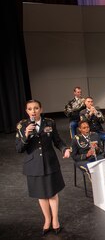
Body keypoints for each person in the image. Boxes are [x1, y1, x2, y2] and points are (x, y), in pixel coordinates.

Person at [16, 100, 71, 236]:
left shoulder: (49, 122)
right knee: (42, 195)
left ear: (41, 109)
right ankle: (47, 219)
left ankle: (55, 219)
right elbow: (19, 149)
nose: (33, 111)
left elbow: (57, 140)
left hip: (50, 162)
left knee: (52, 193)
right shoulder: (22, 125)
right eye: (30, 109)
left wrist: (64, 149)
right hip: (34, 165)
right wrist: (26, 135)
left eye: (36, 108)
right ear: (26, 111)